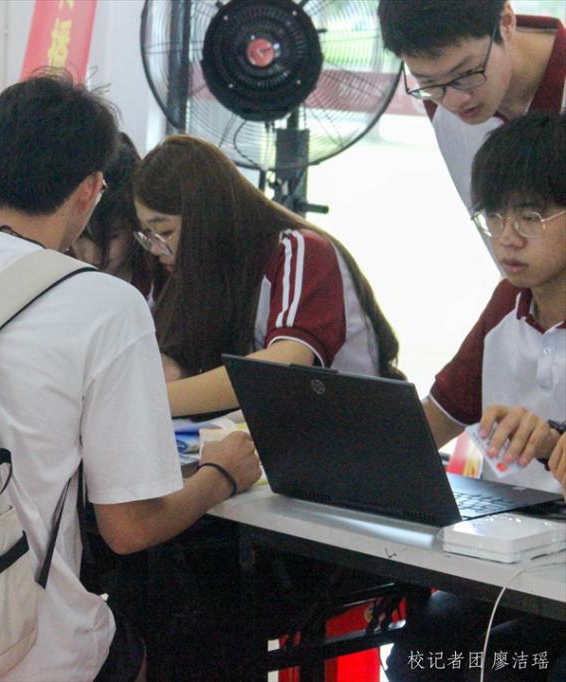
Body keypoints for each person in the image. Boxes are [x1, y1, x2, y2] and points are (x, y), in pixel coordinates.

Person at [0, 73, 261, 681]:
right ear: (91, 191)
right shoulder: (107, 306)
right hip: (25, 647)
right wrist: (221, 474)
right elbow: (129, 527)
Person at [387, 111, 566, 681]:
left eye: (531, 215)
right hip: (508, 555)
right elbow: (432, 423)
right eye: (493, 214)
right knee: (419, 655)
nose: (506, 236)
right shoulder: (507, 301)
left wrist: (551, 444)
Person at [131, 135, 403, 417]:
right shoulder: (195, 271)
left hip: (351, 428)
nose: (156, 249)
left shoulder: (299, 250)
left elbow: (285, 364)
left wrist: (147, 401)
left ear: (208, 216)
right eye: (147, 234)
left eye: (165, 232)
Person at [377, 0, 565, 264]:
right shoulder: (443, 111)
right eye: (428, 82)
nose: (454, 101)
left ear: (506, 22)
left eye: (466, 74)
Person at [72, 132, 164, 301]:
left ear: (136, 225)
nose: (93, 255)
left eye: (112, 236)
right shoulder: (55, 272)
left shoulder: (158, 276)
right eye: (82, 236)